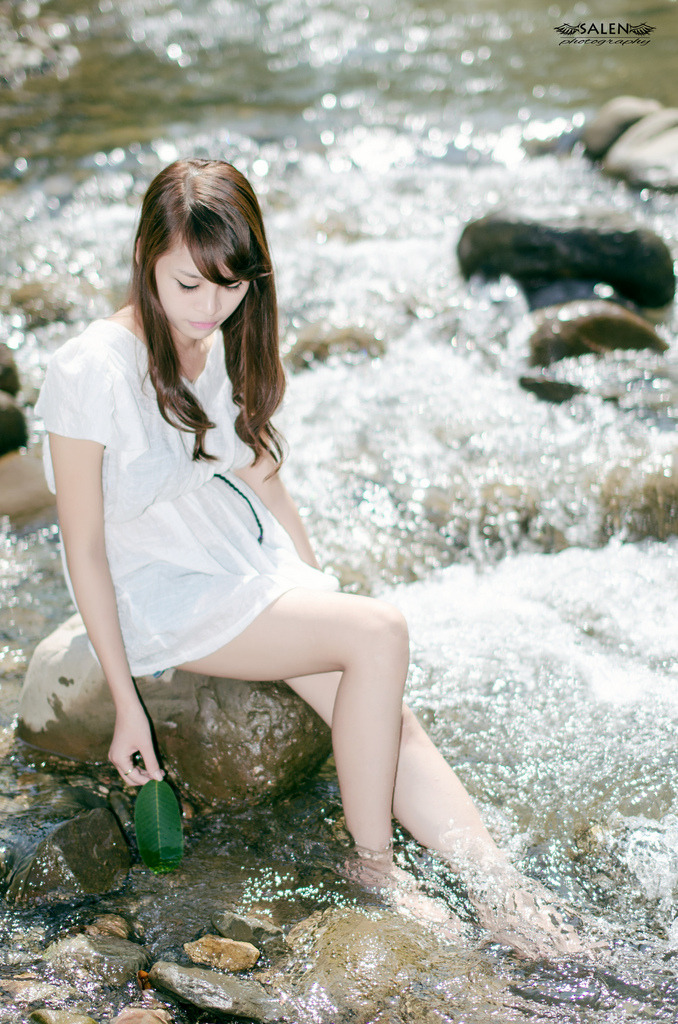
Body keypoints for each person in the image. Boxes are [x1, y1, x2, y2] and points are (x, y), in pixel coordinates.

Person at [36, 158, 586, 958]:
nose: (210, 307)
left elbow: (263, 474)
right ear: (145, 257)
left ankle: (498, 887)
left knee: (381, 696)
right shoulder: (90, 368)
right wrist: (127, 705)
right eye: (188, 284)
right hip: (153, 586)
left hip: (229, 553)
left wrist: (318, 590)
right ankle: (374, 867)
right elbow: (82, 545)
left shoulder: (219, 337)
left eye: (230, 286)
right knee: (377, 632)